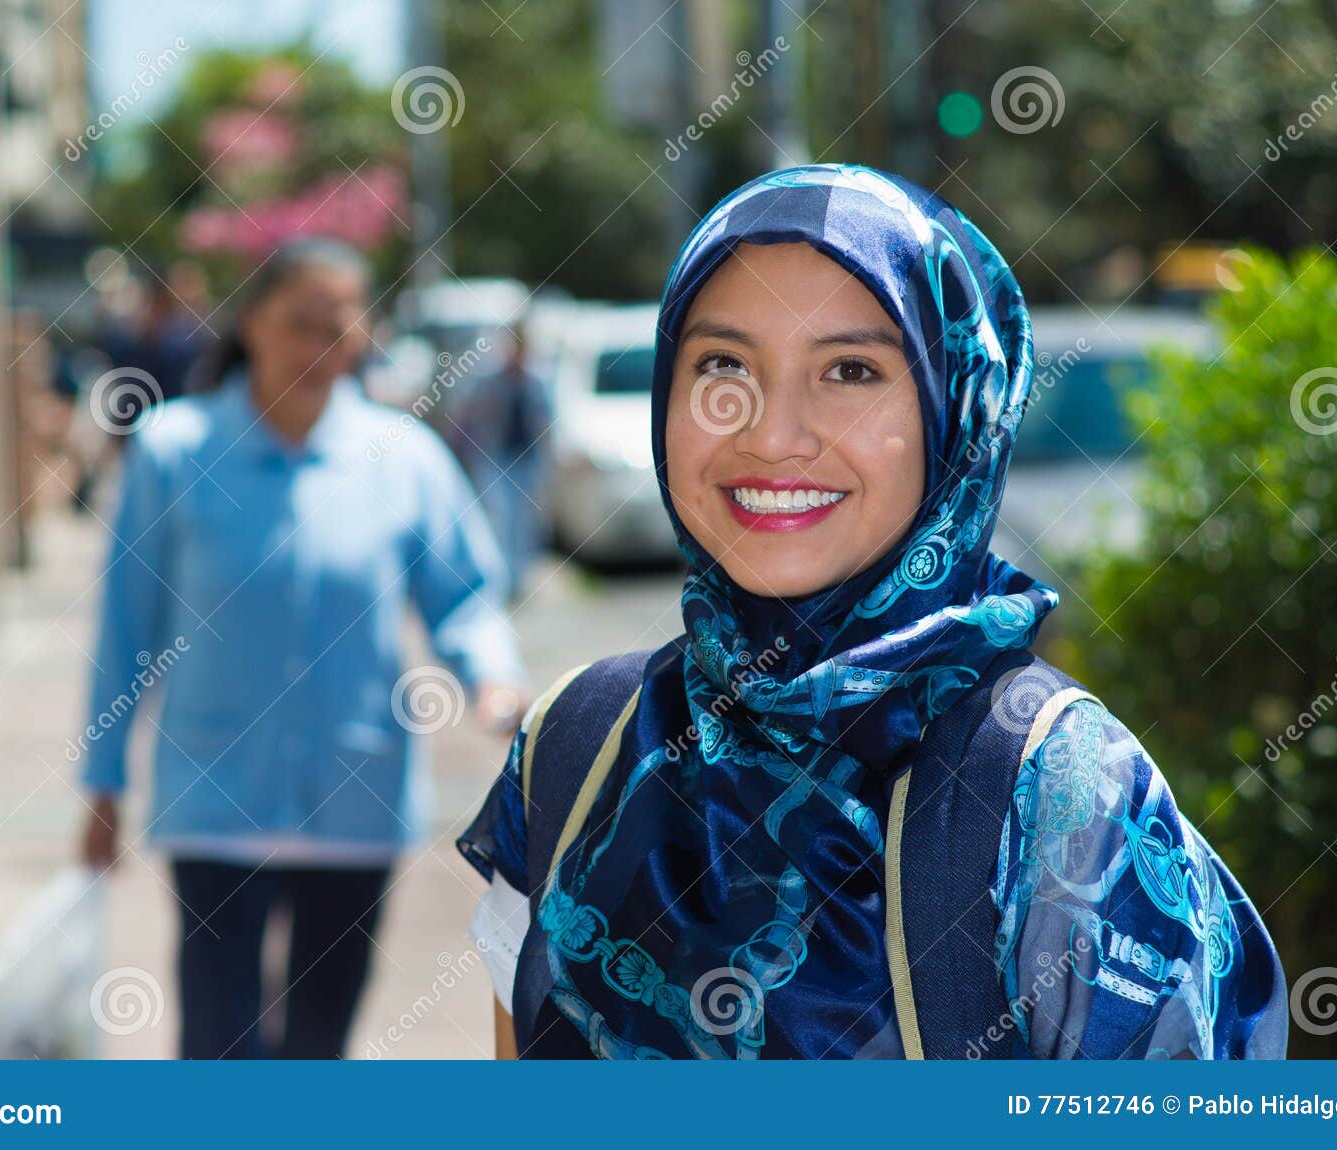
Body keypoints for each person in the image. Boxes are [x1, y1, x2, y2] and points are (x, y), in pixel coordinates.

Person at [457, 165, 1288, 1060]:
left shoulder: (1060, 791)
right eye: (723, 364)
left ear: (955, 410)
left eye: (850, 370)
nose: (771, 434)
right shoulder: (578, 746)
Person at [78, 237, 526, 1060]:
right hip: (214, 806)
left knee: (319, 1049)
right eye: (299, 324)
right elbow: (125, 626)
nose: (319, 347)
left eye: (339, 325)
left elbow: (464, 600)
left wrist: (493, 685)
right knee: (219, 1049)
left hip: (355, 803)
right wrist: (101, 781)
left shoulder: (406, 458)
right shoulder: (173, 453)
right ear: (250, 323)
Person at [450, 324, 553, 598]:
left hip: (526, 461)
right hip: (498, 459)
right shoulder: (491, 380)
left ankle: (518, 577)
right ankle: (502, 577)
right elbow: (473, 413)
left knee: (523, 522)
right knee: (500, 518)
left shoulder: (535, 382)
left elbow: (544, 422)